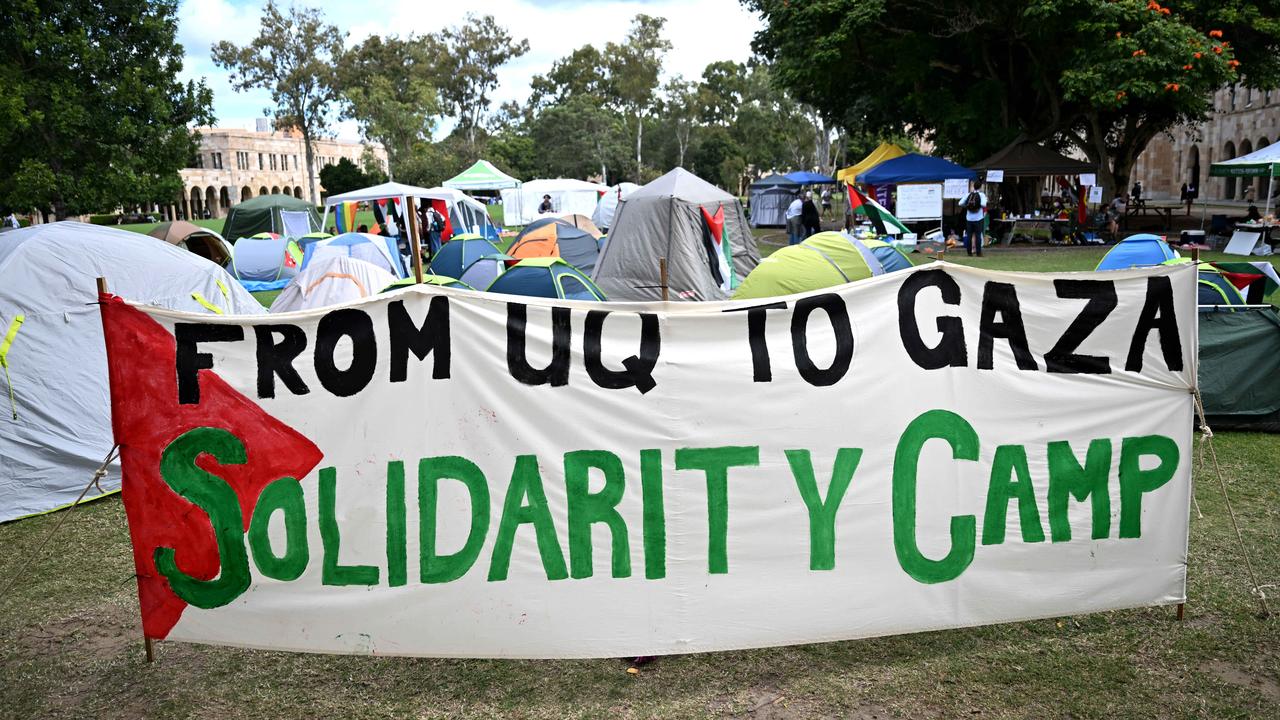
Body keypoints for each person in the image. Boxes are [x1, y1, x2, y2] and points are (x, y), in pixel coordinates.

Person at [962, 180, 987, 257]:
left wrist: (968, 206)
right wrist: (978, 205)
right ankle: (978, 253)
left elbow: (960, 203)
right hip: (978, 218)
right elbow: (983, 204)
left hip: (969, 218)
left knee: (969, 235)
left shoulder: (968, 194)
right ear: (980, 187)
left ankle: (969, 253)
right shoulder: (982, 195)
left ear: (973, 186)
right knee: (978, 235)